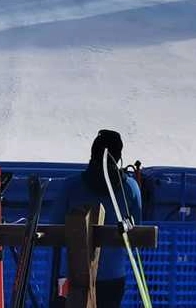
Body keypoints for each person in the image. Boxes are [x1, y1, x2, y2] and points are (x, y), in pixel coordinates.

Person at [48, 129, 142, 308]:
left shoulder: (70, 187)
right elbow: (136, 229)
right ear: (118, 156)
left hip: (72, 273)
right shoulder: (129, 188)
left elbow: (55, 228)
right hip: (112, 275)